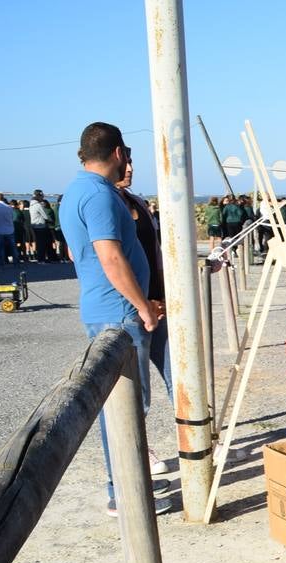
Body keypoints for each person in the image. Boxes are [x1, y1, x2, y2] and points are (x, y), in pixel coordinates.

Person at [59, 122, 170, 516]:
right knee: (126, 407)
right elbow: (110, 256)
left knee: (124, 405)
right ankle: (123, 491)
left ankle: (125, 484)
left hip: (104, 308)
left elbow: (76, 254)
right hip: (119, 313)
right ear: (119, 153)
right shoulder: (100, 195)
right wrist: (142, 306)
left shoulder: (75, 192)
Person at [117, 147, 174, 477]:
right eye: (125, 161)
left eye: (133, 161)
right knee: (137, 390)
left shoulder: (138, 202)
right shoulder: (107, 203)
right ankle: (141, 449)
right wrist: (142, 303)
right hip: (135, 309)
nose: (131, 168)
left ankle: (195, 434)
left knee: (179, 374)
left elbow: (156, 251)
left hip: (160, 304)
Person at [30, 190, 53, 262]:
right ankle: (41, 259)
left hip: (35, 225)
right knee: (42, 243)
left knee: (39, 243)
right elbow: (45, 216)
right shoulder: (38, 205)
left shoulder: (31, 204)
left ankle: (40, 258)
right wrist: (50, 220)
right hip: (41, 226)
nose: (42, 198)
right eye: (42, 196)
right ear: (38, 196)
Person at [0, 194, 15, 266]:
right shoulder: (9, 207)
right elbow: (12, 217)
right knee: (13, 248)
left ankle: (1, 263)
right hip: (10, 229)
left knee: (1, 248)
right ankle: (16, 262)